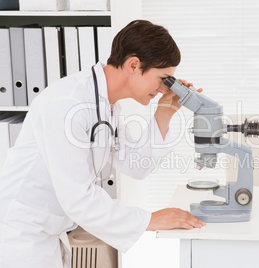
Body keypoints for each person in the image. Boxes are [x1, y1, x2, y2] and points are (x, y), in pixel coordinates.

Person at [0, 20, 205, 268]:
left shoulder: (105, 105)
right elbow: (78, 199)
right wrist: (149, 220)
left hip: (45, 237)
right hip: (20, 239)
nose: (164, 90)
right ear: (134, 65)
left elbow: (135, 166)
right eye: (163, 79)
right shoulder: (67, 103)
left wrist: (164, 114)